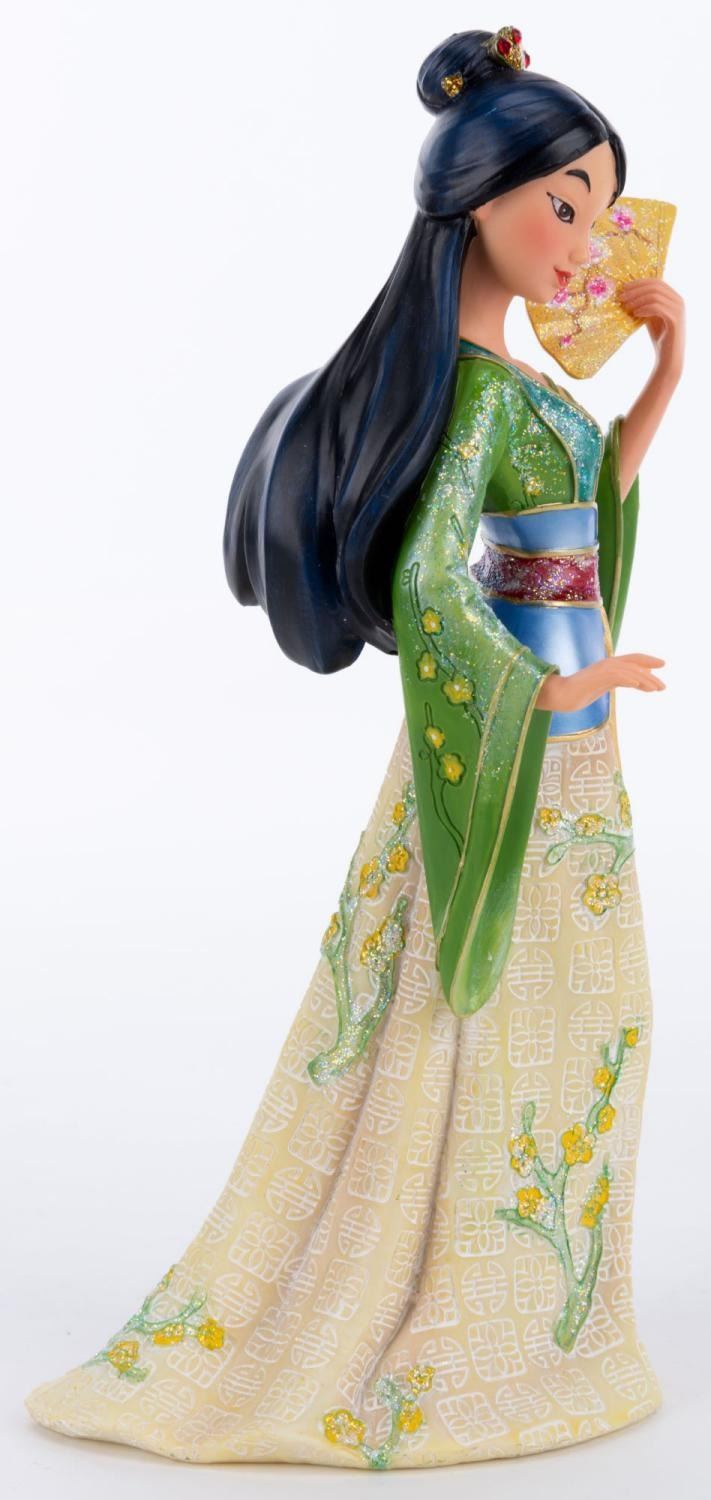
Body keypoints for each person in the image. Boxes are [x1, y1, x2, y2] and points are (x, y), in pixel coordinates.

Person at [25, 23, 684, 1470]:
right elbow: (438, 585)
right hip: (526, 742)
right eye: (563, 203)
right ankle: (464, 1315)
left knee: (584, 1016)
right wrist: (552, 693)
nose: (589, 239)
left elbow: (588, 513)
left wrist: (665, 364)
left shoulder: (525, 390)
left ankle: (535, 1312)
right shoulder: (475, 400)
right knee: (499, 1010)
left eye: (599, 206)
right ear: (479, 208)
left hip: (566, 751)